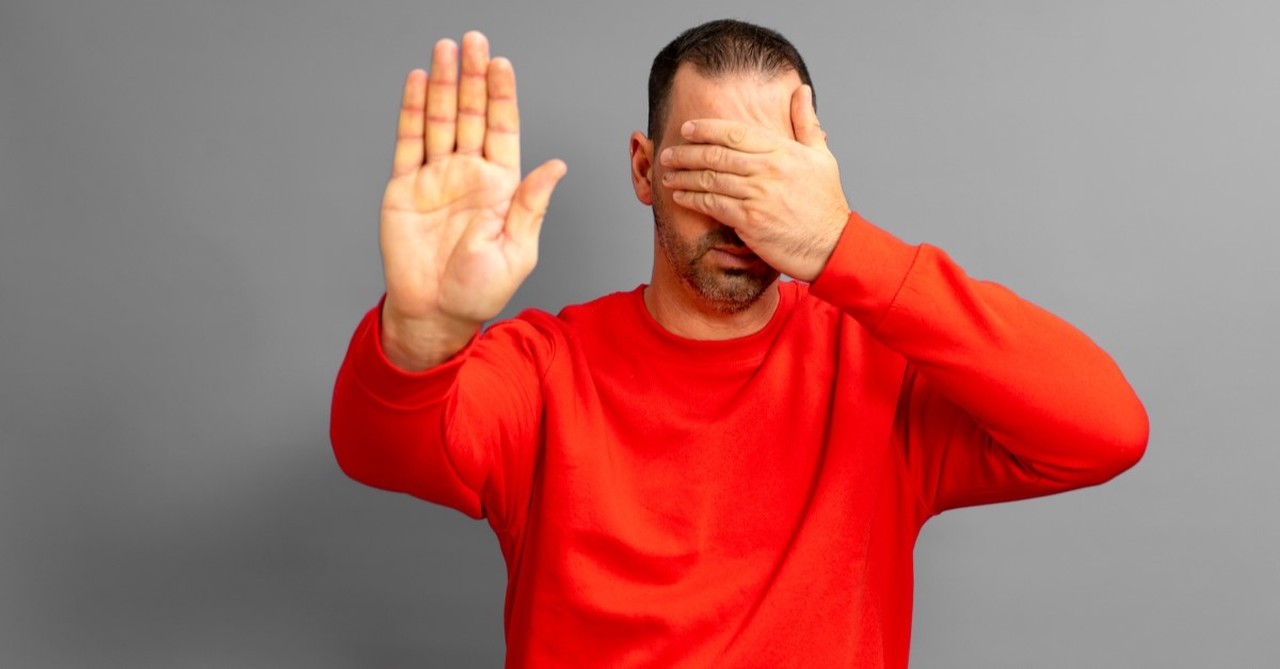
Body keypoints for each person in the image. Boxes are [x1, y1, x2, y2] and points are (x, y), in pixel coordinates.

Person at [330, 19, 1148, 668]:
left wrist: (840, 244)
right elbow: (382, 450)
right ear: (645, 171)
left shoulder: (881, 372)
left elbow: (1105, 430)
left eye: (766, 179)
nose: (739, 215)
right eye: (707, 171)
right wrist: (426, 327)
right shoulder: (548, 368)